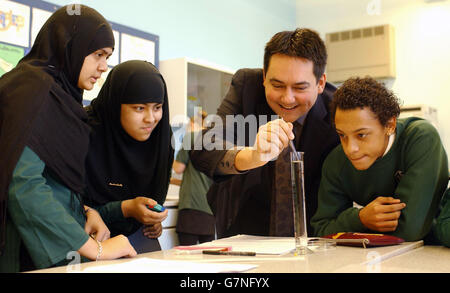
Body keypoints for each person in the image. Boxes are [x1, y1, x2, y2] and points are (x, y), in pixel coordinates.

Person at [0, 5, 137, 272]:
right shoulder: (32, 88)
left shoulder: (59, 95)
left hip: (58, 248)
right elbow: (23, 186)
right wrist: (94, 248)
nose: (104, 66)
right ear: (70, 45)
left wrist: (86, 210)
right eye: (98, 54)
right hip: (26, 254)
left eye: (107, 57)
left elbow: (53, 179)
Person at [190, 28, 340, 238]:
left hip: (315, 236)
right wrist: (252, 156)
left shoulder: (339, 108)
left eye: (299, 88)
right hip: (243, 228)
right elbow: (204, 147)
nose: (287, 99)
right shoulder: (247, 86)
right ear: (264, 76)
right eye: (277, 85)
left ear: (320, 83)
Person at [311, 77, 448, 242]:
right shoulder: (335, 162)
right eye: (342, 135)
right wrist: (360, 218)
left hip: (431, 253)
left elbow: (410, 231)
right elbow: (322, 233)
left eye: (361, 135)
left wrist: (351, 229)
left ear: (390, 125)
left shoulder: (421, 138)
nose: (350, 148)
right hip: (373, 258)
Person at [83, 60, 173, 253]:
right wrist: (126, 208)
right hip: (86, 243)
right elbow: (66, 210)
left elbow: (154, 198)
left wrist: (152, 218)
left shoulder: (160, 140)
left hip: (139, 240)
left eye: (157, 107)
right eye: (139, 108)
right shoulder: (83, 133)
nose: (150, 118)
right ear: (116, 105)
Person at [173, 113, 215, 245]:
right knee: (206, 257)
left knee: (186, 257)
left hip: (192, 207)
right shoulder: (214, 143)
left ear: (192, 124)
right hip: (209, 210)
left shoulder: (190, 137)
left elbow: (178, 168)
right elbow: (198, 179)